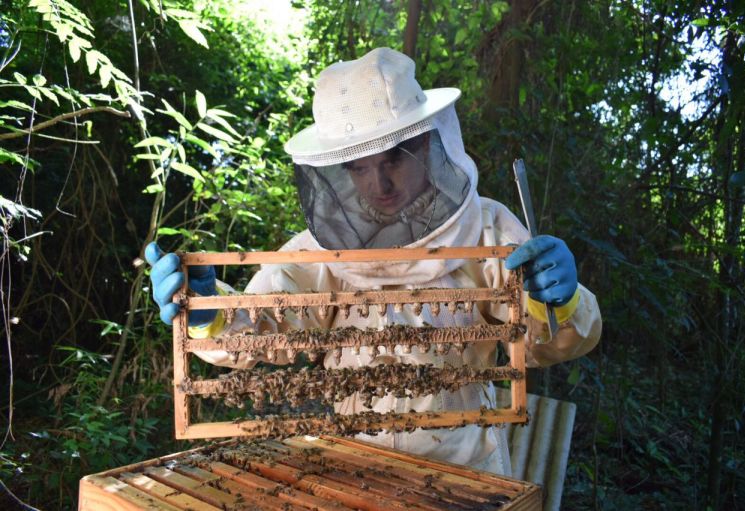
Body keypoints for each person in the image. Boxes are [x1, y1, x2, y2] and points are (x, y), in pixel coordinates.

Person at [145, 47, 601, 476]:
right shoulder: (318, 251)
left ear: (426, 147)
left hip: (464, 472)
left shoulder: (487, 230)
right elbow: (263, 325)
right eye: (359, 168)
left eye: (392, 161)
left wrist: (554, 302)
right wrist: (210, 314)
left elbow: (550, 343)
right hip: (351, 468)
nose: (379, 184)